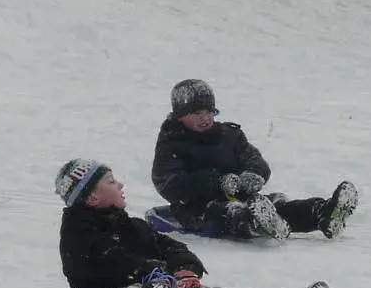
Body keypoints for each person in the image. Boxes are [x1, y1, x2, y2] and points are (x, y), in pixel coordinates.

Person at [56, 158, 330, 288]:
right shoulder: (78, 232)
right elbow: (102, 259)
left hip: (163, 283)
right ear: (92, 197)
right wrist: (149, 271)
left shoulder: (132, 226)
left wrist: (183, 268)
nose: (120, 185)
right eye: (111, 182)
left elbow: (171, 246)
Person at [151, 79, 358, 241]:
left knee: (277, 204)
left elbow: (252, 157)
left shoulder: (228, 135)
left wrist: (254, 173)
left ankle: (323, 214)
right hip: (196, 207)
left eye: (209, 112)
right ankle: (257, 224)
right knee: (228, 213)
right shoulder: (172, 143)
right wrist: (215, 182)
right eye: (197, 113)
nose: (205, 118)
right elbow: (169, 183)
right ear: (179, 115)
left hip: (245, 196)